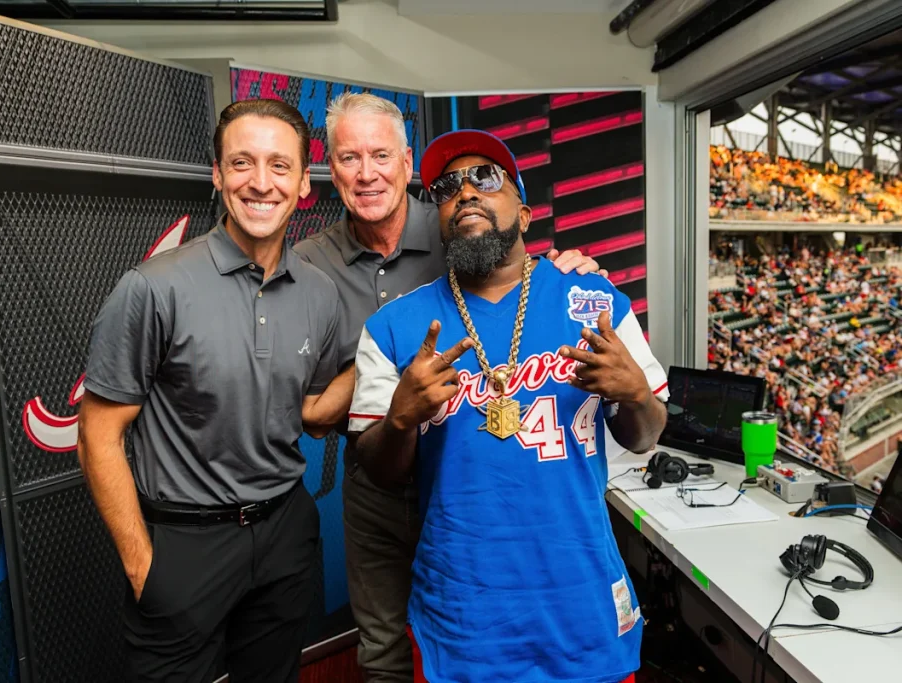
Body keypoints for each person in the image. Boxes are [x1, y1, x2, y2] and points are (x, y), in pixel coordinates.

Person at [293, 92, 606, 681]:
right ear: (329, 168)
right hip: (379, 482)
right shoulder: (306, 263)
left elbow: (521, 272)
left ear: (407, 163)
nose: (367, 173)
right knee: (384, 649)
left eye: (380, 155)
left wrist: (575, 269)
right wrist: (390, 362)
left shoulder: (456, 216)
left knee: (482, 634)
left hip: (471, 470)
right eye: (349, 158)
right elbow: (310, 413)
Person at [347, 129, 670, 682]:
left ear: (524, 214)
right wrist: (400, 419)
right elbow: (379, 471)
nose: (466, 192)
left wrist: (635, 393)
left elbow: (645, 437)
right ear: (439, 219)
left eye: (486, 178)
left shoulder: (595, 303)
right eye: (447, 187)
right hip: (463, 617)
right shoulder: (394, 326)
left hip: (582, 607)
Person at [77, 99, 354, 683]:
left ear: (305, 183)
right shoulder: (153, 287)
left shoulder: (320, 294)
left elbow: (310, 414)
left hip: (284, 532)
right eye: (242, 163)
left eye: (280, 165)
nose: (261, 183)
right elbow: (97, 437)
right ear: (218, 175)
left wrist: (381, 359)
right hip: (185, 543)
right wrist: (142, 566)